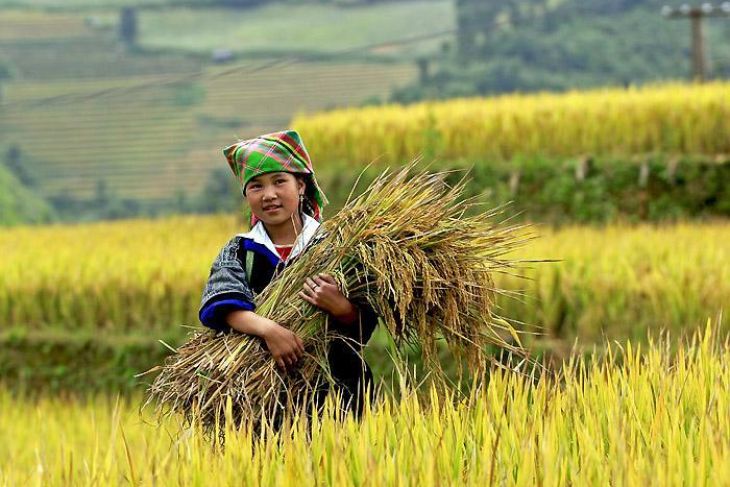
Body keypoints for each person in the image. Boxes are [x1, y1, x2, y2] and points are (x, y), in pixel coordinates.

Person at [198, 129, 378, 420]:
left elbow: (365, 324)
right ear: (247, 196)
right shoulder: (239, 251)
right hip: (266, 399)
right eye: (256, 187)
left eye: (280, 181)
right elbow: (224, 306)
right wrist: (270, 330)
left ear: (301, 186)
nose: (269, 195)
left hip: (343, 393)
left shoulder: (337, 247)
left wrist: (341, 307)